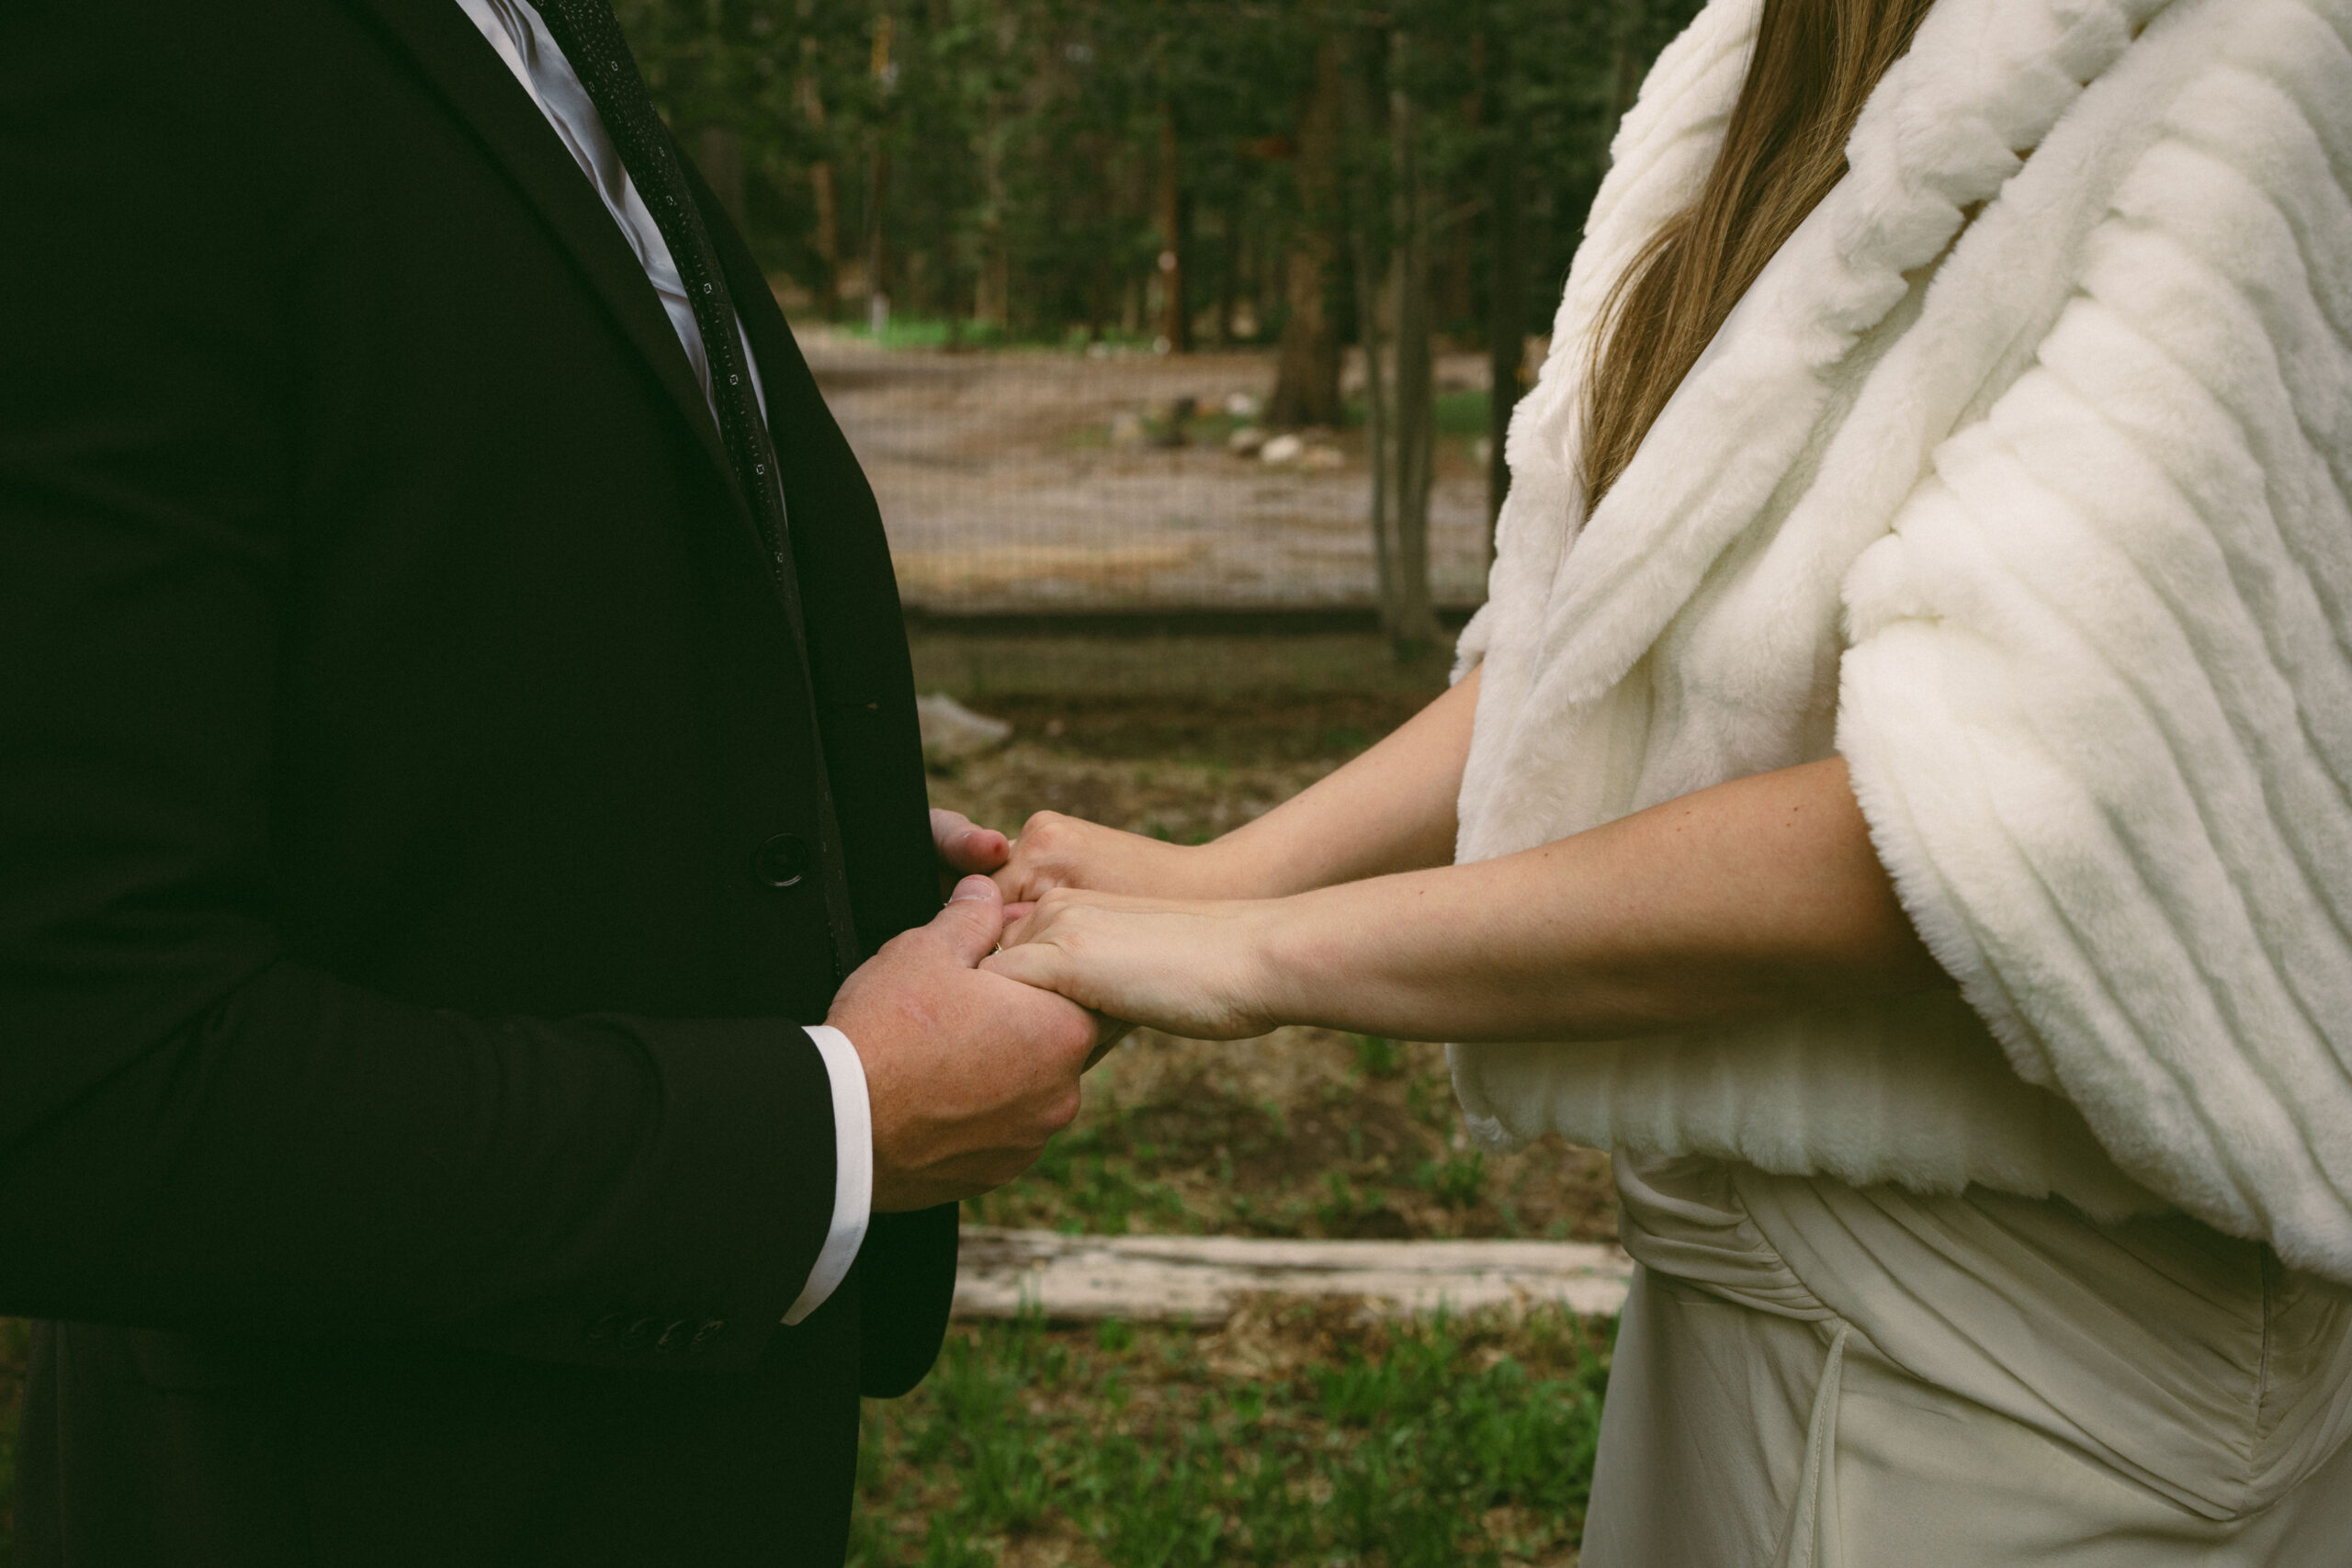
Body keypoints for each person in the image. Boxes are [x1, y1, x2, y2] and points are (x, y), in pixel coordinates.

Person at [985, 0, 2352, 1560]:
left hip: (2020, 1362)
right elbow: (1592, 654)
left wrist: (1267, 958)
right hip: (1747, 1281)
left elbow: (1980, 823)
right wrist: (1223, 872)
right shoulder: (1756, 71)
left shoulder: (2263, 67)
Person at [0, 0, 1098, 1562]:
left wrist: (757, 805)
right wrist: (833, 1128)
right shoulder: (111, 51)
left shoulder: (535, 40)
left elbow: (410, 591)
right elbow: (76, 1077)